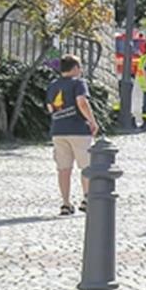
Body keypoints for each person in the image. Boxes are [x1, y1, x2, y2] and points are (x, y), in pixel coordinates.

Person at [47, 55, 99, 216]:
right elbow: (82, 102)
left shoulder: (53, 85)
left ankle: (65, 203)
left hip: (58, 130)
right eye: (80, 66)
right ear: (75, 67)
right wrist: (92, 121)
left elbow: (50, 107)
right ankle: (87, 199)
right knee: (86, 167)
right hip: (78, 130)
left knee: (63, 169)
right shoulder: (79, 83)